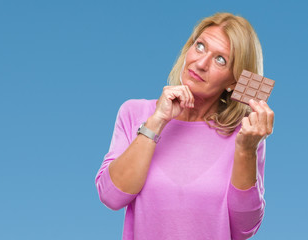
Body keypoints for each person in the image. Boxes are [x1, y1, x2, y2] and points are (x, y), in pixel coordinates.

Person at [95, 12, 274, 240]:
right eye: (199, 46)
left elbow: (244, 228)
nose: (200, 64)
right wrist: (156, 122)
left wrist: (247, 150)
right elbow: (111, 197)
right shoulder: (135, 113)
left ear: (234, 82)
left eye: (221, 60)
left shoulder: (244, 134)